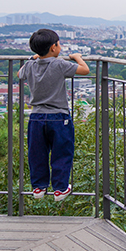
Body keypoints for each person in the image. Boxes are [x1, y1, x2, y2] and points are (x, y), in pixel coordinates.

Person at [18, 29, 89, 202]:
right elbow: (84, 70)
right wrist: (77, 57)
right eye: (58, 44)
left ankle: (39, 187)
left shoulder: (30, 65)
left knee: (37, 153)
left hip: (36, 117)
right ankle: (60, 188)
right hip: (59, 117)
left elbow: (20, 75)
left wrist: (33, 58)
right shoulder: (58, 64)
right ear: (53, 48)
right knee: (62, 153)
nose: (60, 47)